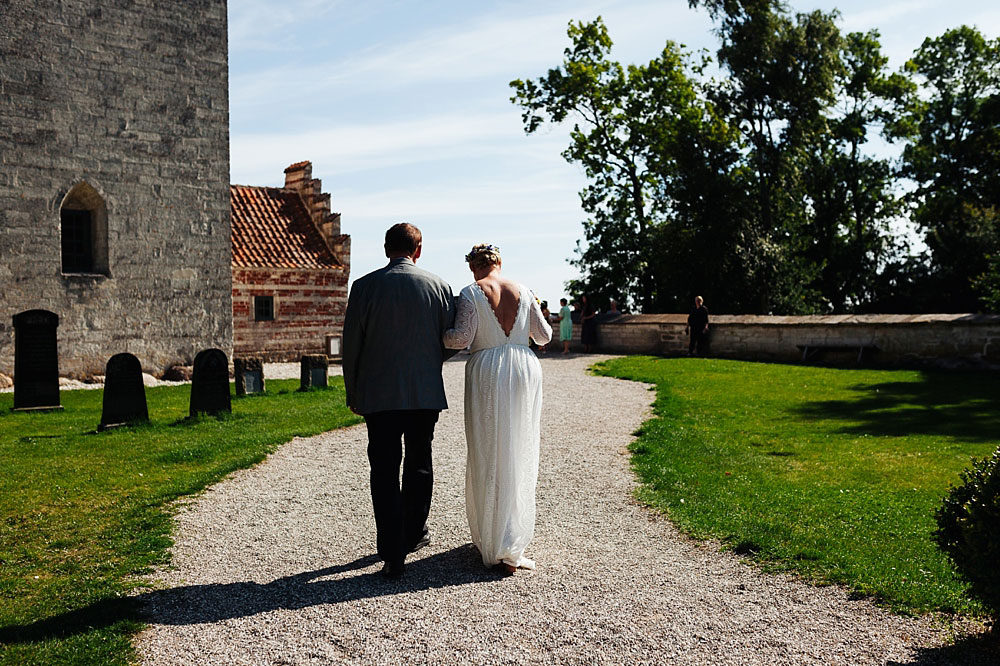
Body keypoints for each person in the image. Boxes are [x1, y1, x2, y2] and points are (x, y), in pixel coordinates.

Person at [342, 223, 456, 580]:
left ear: (385, 248)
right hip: (424, 393)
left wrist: (353, 390)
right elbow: (450, 340)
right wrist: (427, 363)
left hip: (379, 394)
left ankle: (392, 552)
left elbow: (351, 347)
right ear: (418, 250)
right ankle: (413, 534)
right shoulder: (439, 286)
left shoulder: (363, 287)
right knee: (420, 463)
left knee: (384, 470)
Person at [443, 243, 552, 574]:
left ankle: (494, 536)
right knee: (518, 447)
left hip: (488, 370)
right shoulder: (524, 289)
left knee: (489, 447)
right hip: (523, 368)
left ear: (473, 267)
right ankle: (512, 536)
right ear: (499, 264)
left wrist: (439, 334)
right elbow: (544, 336)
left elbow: (461, 338)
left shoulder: (471, 292)